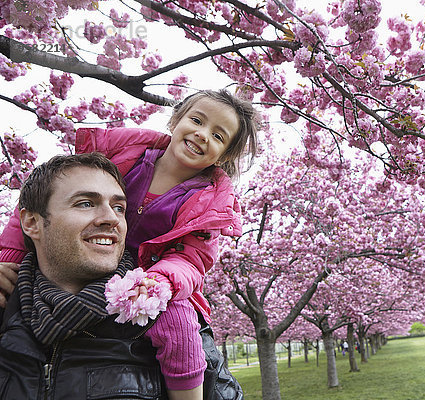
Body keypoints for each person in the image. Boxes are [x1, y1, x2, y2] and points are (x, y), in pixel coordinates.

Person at [0, 89, 258, 398]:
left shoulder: (209, 202)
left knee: (179, 325)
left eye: (218, 136)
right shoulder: (125, 155)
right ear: (176, 120)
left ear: (225, 155)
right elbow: (41, 198)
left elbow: (192, 260)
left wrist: (160, 283)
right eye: (197, 121)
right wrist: (9, 256)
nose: (203, 135)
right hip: (95, 265)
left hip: (155, 282)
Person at [0, 153, 169, 399]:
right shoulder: (6, 314)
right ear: (32, 222)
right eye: (86, 203)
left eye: (119, 207)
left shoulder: (164, 320)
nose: (111, 218)